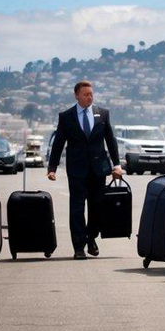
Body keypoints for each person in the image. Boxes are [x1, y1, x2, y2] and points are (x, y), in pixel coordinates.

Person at [46, 81, 124, 259]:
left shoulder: (102, 114)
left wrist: (117, 165)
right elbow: (58, 143)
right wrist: (52, 168)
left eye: (91, 94)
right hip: (77, 169)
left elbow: (110, 140)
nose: (90, 97)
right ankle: (79, 246)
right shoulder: (66, 116)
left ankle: (91, 237)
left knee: (96, 206)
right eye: (86, 94)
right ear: (76, 95)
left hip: (98, 168)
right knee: (77, 207)